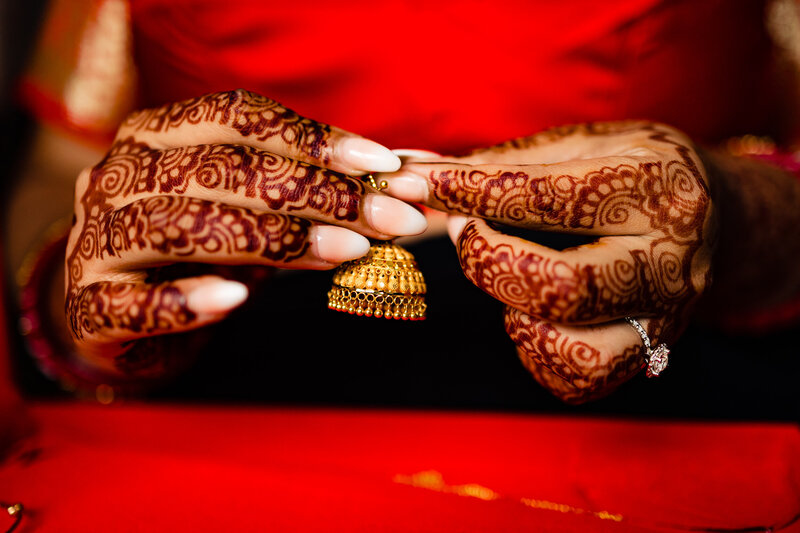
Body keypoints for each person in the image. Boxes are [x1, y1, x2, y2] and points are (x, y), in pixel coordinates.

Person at [4, 0, 800, 416]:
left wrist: (734, 214)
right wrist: (89, 288)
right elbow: (54, 173)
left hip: (681, 385)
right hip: (226, 414)